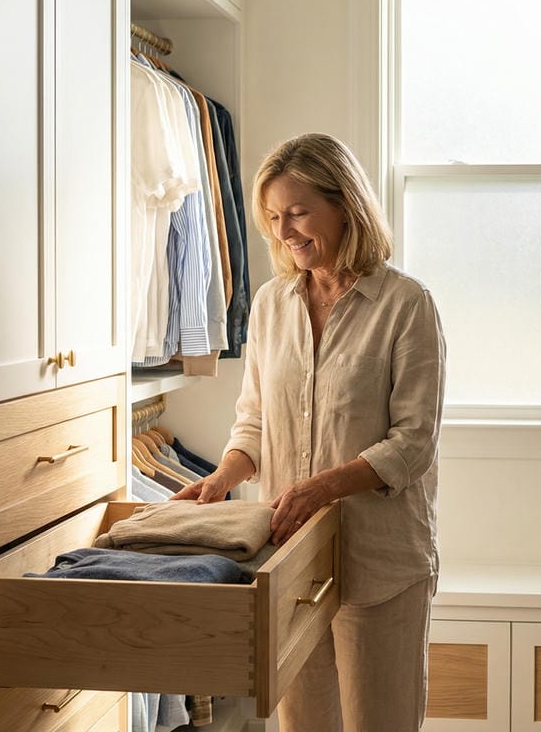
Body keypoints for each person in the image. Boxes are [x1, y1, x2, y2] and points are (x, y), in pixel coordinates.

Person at [174, 132, 446, 732]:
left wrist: (322, 488)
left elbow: (412, 442)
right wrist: (222, 477)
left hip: (381, 562)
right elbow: (255, 420)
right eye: (273, 216)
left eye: (298, 211)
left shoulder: (406, 305)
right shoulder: (271, 304)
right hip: (293, 565)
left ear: (344, 204)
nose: (285, 229)